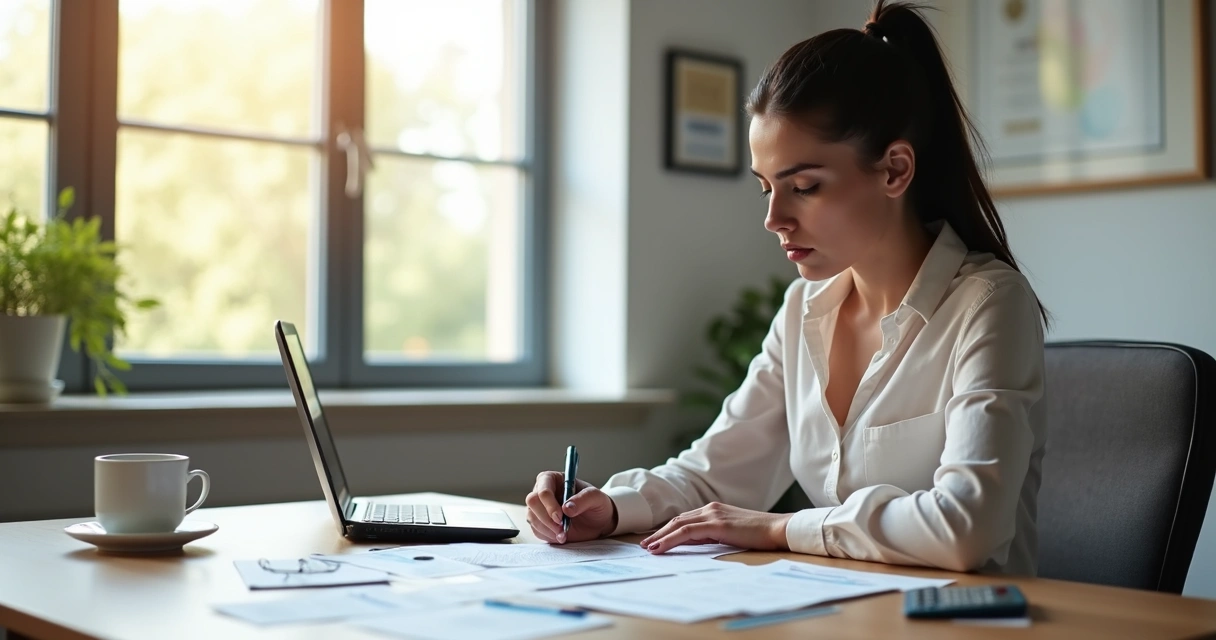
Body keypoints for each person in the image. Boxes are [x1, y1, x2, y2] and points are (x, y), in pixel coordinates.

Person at [525, 0, 1048, 575]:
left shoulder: (989, 305)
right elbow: (715, 472)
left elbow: (965, 528)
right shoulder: (804, 309)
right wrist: (609, 507)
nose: (775, 218)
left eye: (804, 186)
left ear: (895, 170)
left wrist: (776, 528)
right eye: (765, 188)